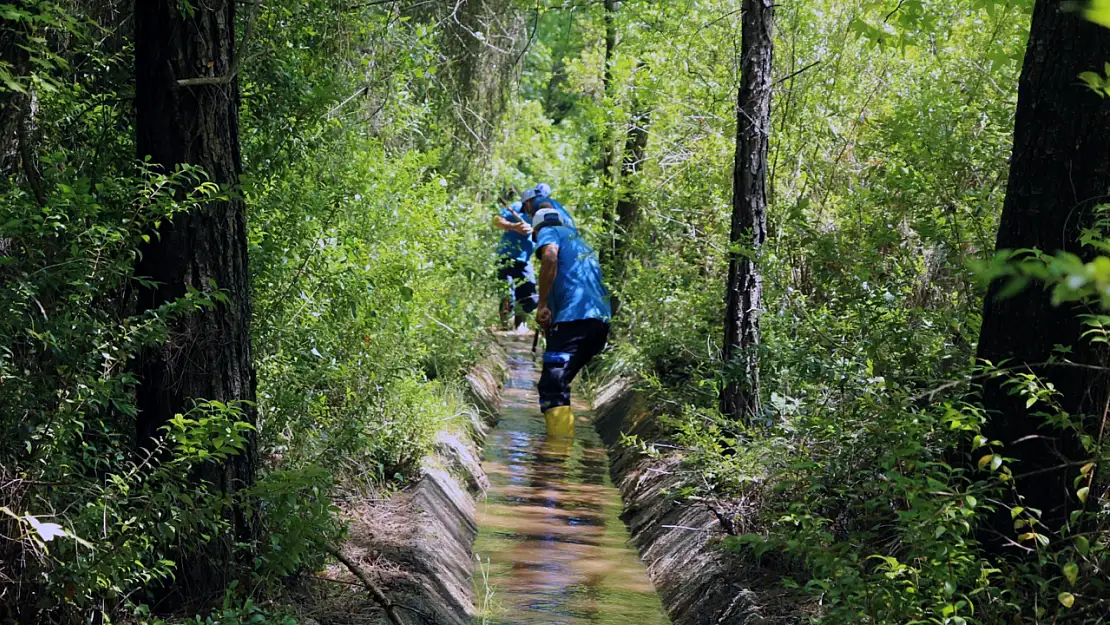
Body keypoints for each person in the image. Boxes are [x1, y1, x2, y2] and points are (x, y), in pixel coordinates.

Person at [531, 206, 612, 437]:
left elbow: (549, 257)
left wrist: (541, 303)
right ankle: (559, 447)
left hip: (576, 321)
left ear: (538, 230)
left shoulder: (550, 231)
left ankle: (556, 455)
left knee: (552, 385)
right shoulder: (581, 244)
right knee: (559, 381)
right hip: (597, 324)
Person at [492, 189, 537, 333]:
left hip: (524, 261)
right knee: (507, 294)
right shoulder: (516, 208)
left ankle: (520, 326)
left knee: (529, 296)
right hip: (506, 258)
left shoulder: (541, 214)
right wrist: (514, 227)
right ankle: (504, 326)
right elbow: (497, 220)